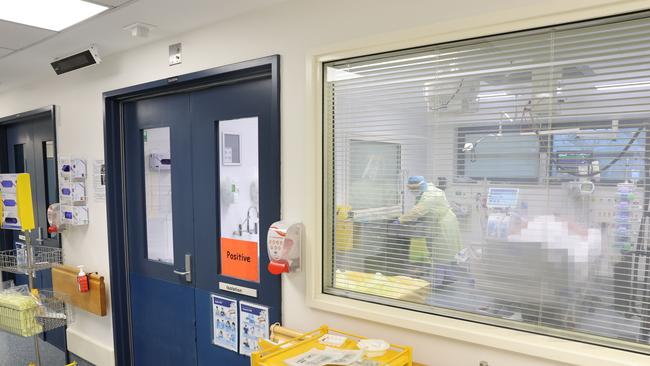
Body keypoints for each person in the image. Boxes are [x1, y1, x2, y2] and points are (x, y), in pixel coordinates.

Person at [394, 176, 462, 286]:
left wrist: (401, 220)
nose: (412, 191)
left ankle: (436, 282)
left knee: (439, 253)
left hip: (442, 225)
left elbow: (418, 210)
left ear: (419, 186)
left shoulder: (430, 195)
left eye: (413, 189)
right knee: (445, 253)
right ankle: (449, 276)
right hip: (444, 222)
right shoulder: (429, 190)